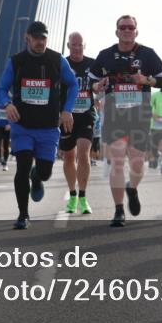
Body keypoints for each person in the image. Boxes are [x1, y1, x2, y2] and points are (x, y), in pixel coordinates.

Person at [89, 14, 162, 227]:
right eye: (122, 27)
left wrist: (146, 80)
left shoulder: (147, 54)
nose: (126, 30)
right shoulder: (105, 55)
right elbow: (92, 83)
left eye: (130, 27)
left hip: (139, 115)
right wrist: (98, 86)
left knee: (137, 163)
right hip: (115, 114)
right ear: (116, 31)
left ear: (136, 31)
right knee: (116, 161)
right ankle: (118, 210)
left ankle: (131, 188)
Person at [0, 21, 77, 229]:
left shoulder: (57, 60)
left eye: (44, 38)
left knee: (45, 172)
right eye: (36, 38)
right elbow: (1, 90)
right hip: (22, 126)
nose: (40, 42)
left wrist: (67, 109)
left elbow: (73, 84)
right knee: (22, 166)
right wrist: (7, 104)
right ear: (27, 38)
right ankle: (23, 215)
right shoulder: (16, 62)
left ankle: (37, 176)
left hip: (49, 127)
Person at [59, 32, 96, 215]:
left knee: (83, 153)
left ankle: (83, 196)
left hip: (86, 116)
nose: (77, 48)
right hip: (67, 116)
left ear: (84, 46)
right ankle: (72, 195)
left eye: (80, 45)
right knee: (68, 156)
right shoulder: (62, 64)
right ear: (68, 46)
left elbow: (100, 84)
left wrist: (100, 88)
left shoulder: (92, 64)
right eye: (74, 45)